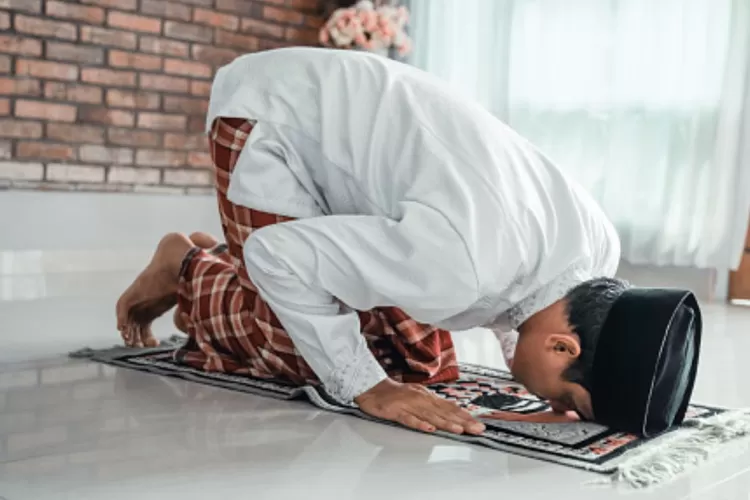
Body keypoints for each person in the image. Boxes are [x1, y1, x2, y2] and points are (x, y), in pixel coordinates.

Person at [115, 47, 701, 438]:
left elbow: (523, 291)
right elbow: (280, 258)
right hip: (272, 120)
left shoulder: (597, 250)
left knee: (421, 361)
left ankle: (217, 262)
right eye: (574, 404)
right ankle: (188, 267)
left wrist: (389, 373)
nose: (561, 412)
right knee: (304, 358)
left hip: (368, 163)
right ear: (564, 349)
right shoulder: (464, 266)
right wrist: (368, 388)